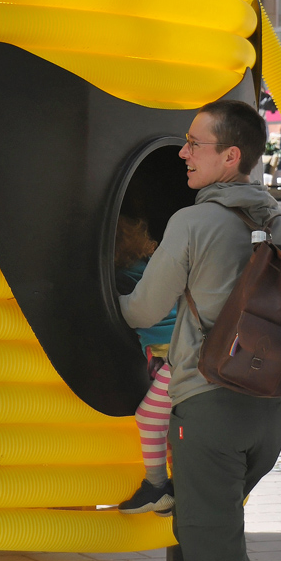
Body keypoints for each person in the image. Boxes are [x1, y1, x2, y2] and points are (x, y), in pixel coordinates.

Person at [120, 99, 281, 561]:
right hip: (270, 406)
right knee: (218, 525)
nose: (183, 153)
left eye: (195, 143)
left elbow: (144, 310)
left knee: (202, 531)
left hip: (210, 402)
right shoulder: (277, 222)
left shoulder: (194, 225)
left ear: (231, 156)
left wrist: (103, 301)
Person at [114, 215, 177, 515]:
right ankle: (171, 487)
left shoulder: (123, 277)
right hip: (177, 354)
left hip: (177, 356)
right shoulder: (148, 267)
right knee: (169, 422)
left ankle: (156, 487)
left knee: (149, 416)